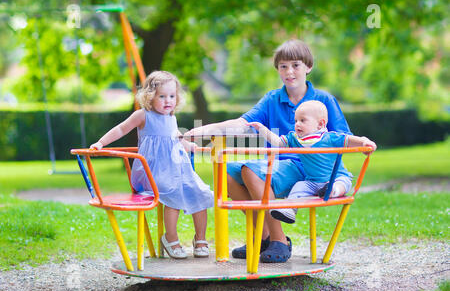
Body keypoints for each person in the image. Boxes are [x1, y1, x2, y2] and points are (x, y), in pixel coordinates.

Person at [185, 39, 352, 263]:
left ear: (308, 67)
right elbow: (242, 123)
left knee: (250, 170)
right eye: (283, 66)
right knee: (224, 172)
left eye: (295, 65)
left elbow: (342, 138)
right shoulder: (273, 99)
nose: (289, 71)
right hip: (281, 164)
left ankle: (279, 240)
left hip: (313, 169)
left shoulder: (323, 100)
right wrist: (199, 131)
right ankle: (263, 236)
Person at [90, 71, 214, 259]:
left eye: (172, 96)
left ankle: (200, 239)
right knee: (173, 193)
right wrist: (101, 143)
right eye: (162, 96)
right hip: (153, 172)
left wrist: (188, 145)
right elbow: (121, 128)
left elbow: (174, 139)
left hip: (177, 169)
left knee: (199, 191)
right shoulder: (143, 115)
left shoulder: (171, 117)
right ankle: (170, 238)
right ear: (149, 96)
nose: (168, 101)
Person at [247, 100, 377, 224]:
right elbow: (278, 142)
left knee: (342, 183)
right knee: (299, 186)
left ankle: (332, 192)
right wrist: (262, 129)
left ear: (320, 124)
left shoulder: (329, 138)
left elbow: (348, 140)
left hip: (335, 178)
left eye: (303, 120)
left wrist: (364, 141)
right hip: (312, 181)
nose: (297, 124)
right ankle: (290, 210)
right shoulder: (296, 139)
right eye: (296, 120)